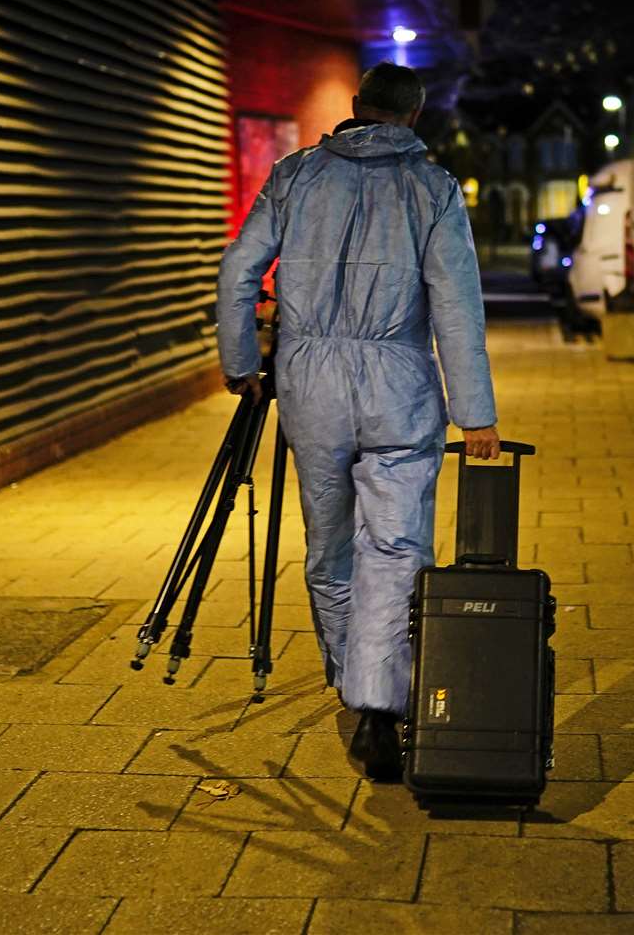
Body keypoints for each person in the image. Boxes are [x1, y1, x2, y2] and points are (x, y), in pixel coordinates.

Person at [217, 63, 499, 781]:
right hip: (399, 381)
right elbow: (457, 308)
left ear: (355, 108)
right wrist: (476, 416)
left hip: (312, 382)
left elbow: (238, 269)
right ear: (414, 116)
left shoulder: (296, 175)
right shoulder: (431, 189)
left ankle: (350, 677)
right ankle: (378, 705)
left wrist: (241, 361)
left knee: (330, 540)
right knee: (397, 545)